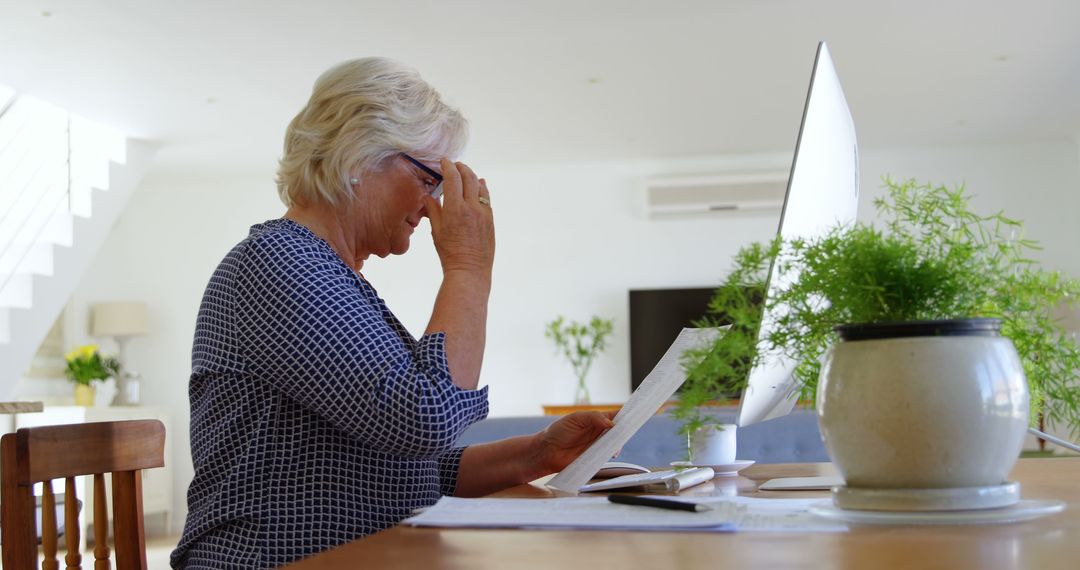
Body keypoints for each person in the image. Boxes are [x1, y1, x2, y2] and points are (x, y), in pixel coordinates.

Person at [170, 58, 615, 569]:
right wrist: (468, 267)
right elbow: (424, 420)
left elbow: (408, 463)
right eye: (430, 178)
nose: (433, 206)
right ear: (359, 157)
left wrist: (533, 456)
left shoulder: (331, 274)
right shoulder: (276, 262)